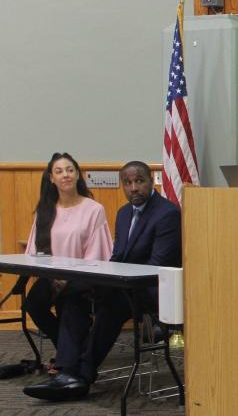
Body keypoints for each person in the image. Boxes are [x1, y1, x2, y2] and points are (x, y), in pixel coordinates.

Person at [23, 161, 182, 401]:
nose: (134, 188)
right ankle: (68, 372)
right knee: (73, 293)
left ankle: (81, 375)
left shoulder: (167, 213)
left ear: (151, 181)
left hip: (152, 288)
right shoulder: (124, 213)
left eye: (139, 181)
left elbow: (157, 265)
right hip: (123, 284)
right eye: (127, 183)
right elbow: (117, 257)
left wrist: (116, 282)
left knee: (112, 306)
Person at [22, 152, 113, 359]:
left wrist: (70, 278)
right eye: (59, 171)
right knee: (33, 304)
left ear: (78, 175)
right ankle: (70, 349)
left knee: (69, 304)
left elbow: (97, 253)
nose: (66, 175)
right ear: (51, 178)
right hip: (51, 276)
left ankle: (66, 360)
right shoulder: (45, 210)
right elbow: (35, 251)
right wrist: (54, 277)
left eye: (70, 170)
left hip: (83, 278)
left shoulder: (94, 209)